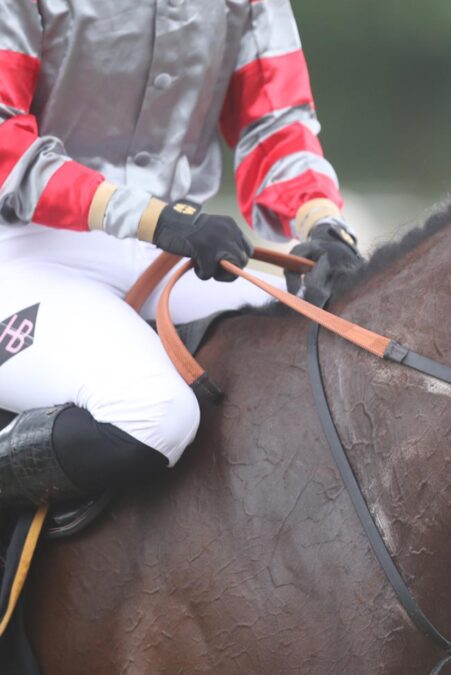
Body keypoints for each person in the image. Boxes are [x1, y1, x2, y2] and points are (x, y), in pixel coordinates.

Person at [0, 0, 360, 507]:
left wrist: (322, 222)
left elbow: (275, 121)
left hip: (166, 250)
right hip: (22, 252)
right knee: (154, 414)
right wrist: (156, 218)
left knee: (337, 351)